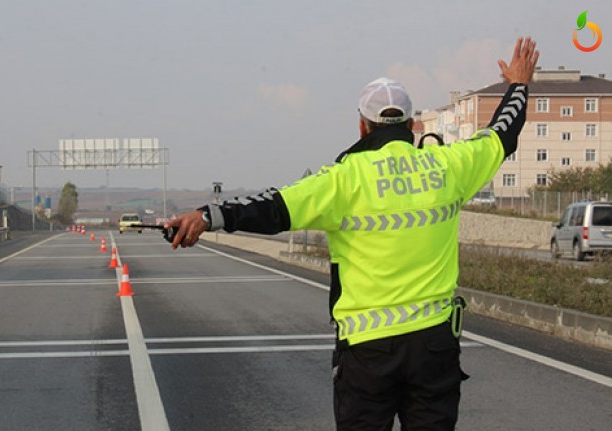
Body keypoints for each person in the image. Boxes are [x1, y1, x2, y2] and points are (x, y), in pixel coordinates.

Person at [165, 37, 540, 429]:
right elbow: (503, 131)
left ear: (362, 126)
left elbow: (272, 207)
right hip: (434, 344)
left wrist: (208, 216)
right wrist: (518, 84)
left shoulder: (343, 180)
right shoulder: (448, 167)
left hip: (367, 352)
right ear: (411, 126)